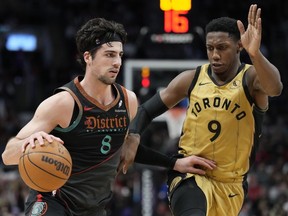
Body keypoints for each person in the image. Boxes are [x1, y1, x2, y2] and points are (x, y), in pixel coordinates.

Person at [1, 18, 216, 216]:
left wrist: (174, 163)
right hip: (54, 201)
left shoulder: (128, 101)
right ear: (88, 57)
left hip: (95, 208)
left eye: (120, 55)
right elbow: (7, 155)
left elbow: (122, 150)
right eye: (109, 54)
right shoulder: (64, 103)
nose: (117, 62)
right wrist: (27, 145)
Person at [119, 4, 283, 216]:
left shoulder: (251, 79)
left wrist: (256, 54)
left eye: (222, 47)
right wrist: (133, 135)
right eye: (210, 48)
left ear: (239, 47)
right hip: (190, 175)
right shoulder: (192, 78)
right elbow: (145, 110)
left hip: (231, 184)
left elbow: (275, 88)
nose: (215, 55)